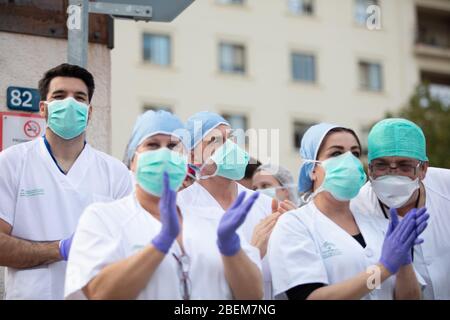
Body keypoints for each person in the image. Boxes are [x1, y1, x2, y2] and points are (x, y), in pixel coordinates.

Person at [64, 110, 263, 300]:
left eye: (173, 146)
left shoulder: (214, 219)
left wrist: (230, 247)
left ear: (186, 161)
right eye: (152, 145)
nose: (164, 154)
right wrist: (160, 243)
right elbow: (98, 294)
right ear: (132, 161)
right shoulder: (103, 218)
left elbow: (253, 295)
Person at [0, 63, 133, 299]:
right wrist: (59, 249)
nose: (70, 104)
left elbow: (132, 246)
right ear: (43, 108)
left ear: (89, 111)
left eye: (79, 97)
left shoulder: (116, 173)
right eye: (60, 96)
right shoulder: (11, 163)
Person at [268, 123, 429, 300]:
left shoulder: (379, 221)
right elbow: (311, 297)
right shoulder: (295, 225)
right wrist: (383, 269)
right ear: (312, 169)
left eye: (355, 153)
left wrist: (404, 262)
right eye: (336, 153)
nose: (349, 161)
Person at [178, 111, 291, 300]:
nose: (229, 147)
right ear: (193, 156)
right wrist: (251, 252)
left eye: (230, 138)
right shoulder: (179, 207)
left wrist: (297, 229)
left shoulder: (265, 205)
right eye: (215, 141)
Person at [351, 118, 450, 300]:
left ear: (423, 169)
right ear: (370, 169)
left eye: (405, 166)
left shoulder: (447, 187)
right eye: (381, 165)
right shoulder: (354, 208)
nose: (393, 173)